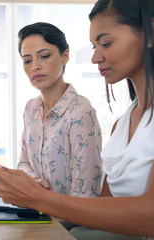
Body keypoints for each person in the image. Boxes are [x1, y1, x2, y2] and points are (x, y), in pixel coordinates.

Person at [0, 0, 154, 239]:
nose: (95, 58)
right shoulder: (121, 124)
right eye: (94, 46)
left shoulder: (81, 111)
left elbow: (148, 215)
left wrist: (38, 197)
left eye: (106, 43)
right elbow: (102, 210)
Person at [16, 22, 102, 198]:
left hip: (67, 223)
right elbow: (23, 163)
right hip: (37, 212)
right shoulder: (30, 109)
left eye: (44, 56)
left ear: (65, 56)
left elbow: (86, 196)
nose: (35, 67)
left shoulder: (81, 113)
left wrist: (41, 196)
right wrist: (33, 183)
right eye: (27, 60)